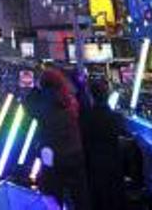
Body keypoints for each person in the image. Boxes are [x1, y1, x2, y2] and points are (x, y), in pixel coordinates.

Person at [25, 67, 90, 209]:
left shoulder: (42, 104)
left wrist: (36, 87)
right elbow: (85, 107)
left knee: (52, 195)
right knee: (80, 195)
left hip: (52, 155)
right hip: (75, 152)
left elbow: (28, 104)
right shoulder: (70, 100)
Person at [80, 78, 125, 210]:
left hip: (93, 162)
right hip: (113, 161)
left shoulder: (86, 116)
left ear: (90, 95)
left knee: (97, 198)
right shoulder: (115, 117)